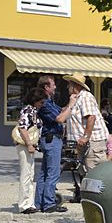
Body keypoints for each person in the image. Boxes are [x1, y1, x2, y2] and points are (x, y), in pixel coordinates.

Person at [56, 72, 109, 176]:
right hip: (85, 144)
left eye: (69, 84)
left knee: (94, 173)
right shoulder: (76, 98)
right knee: (85, 172)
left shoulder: (85, 97)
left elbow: (91, 117)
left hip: (92, 142)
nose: (67, 87)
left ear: (75, 85)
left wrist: (85, 137)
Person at [35, 75, 66, 213]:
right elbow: (59, 118)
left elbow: (61, 110)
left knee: (44, 173)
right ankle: (48, 204)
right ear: (46, 87)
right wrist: (71, 105)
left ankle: (39, 203)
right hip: (52, 139)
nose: (55, 87)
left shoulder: (50, 102)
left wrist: (71, 106)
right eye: (53, 84)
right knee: (53, 173)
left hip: (51, 139)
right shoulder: (45, 103)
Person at [15, 88, 46, 214]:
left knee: (30, 174)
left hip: (29, 146)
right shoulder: (28, 110)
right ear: (35, 100)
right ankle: (24, 204)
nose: (42, 104)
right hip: (25, 146)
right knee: (26, 174)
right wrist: (29, 144)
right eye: (41, 102)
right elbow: (23, 128)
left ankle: (29, 203)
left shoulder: (32, 110)